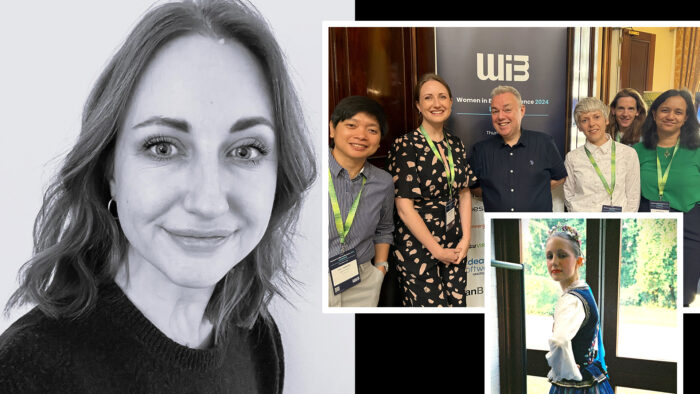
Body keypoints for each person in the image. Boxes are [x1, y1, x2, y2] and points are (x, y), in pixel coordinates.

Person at [0, 0, 316, 392]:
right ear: (109, 170)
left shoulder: (255, 338)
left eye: (246, 150)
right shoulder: (26, 375)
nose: (208, 202)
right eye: (163, 147)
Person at [387, 73, 476, 307]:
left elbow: (464, 192)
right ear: (418, 105)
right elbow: (404, 207)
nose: (436, 104)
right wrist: (436, 250)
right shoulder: (405, 145)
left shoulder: (455, 143)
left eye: (442, 97)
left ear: (451, 102)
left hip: (454, 242)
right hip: (419, 246)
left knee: (457, 305)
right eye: (428, 98)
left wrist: (466, 238)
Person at [633, 89, 700, 307]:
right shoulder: (637, 151)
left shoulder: (697, 150)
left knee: (683, 296)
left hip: (690, 226)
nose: (671, 116)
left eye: (678, 112)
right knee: (648, 295)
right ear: (653, 114)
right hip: (647, 224)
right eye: (665, 110)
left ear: (686, 117)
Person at [328, 96, 394, 307]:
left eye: (372, 130)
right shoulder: (309, 172)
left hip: (363, 280)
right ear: (332, 129)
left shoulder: (383, 182)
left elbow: (384, 228)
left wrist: (380, 270)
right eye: (351, 125)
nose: (361, 135)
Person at [469, 85, 567, 212]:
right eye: (495, 111)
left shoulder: (544, 142)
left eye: (507, 110)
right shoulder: (481, 150)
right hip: (499, 227)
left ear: (522, 110)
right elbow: (474, 187)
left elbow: (559, 177)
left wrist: (536, 191)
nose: (500, 117)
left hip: (537, 227)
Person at [545, 225, 613, 393]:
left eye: (562, 255)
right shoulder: (584, 289)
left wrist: (566, 370)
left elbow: (559, 341)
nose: (554, 261)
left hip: (576, 385)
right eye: (550, 256)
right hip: (591, 374)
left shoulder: (571, 300)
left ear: (579, 261)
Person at [564, 97, 640, 212]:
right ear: (579, 127)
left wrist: (624, 221)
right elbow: (568, 195)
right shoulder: (572, 158)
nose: (591, 124)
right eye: (584, 120)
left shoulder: (628, 154)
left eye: (596, 117)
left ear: (606, 120)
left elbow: (633, 196)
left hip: (618, 221)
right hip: (583, 221)